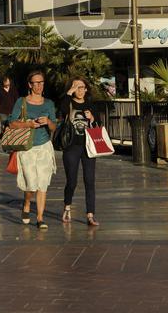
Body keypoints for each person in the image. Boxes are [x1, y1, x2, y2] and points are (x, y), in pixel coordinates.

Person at [8, 70, 57, 229]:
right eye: (35, 83)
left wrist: (48, 121)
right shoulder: (21, 102)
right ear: (29, 85)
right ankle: (27, 202)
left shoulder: (49, 103)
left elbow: (54, 127)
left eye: (41, 82)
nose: (39, 86)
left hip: (44, 147)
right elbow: (11, 123)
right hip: (26, 147)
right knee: (31, 184)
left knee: (42, 184)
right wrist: (28, 124)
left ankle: (40, 218)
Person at [59, 77, 99, 226]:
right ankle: (67, 206)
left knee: (90, 181)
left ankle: (90, 214)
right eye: (76, 87)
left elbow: (98, 125)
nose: (80, 90)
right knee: (72, 181)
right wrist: (69, 92)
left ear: (86, 89)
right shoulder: (68, 103)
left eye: (82, 87)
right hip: (71, 147)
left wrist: (92, 118)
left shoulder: (91, 105)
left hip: (88, 147)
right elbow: (62, 110)